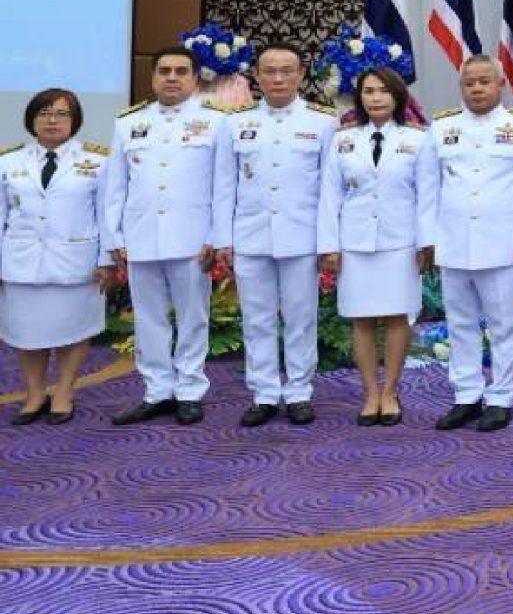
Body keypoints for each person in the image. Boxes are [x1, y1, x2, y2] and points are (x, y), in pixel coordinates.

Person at [418, 55, 513, 433]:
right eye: (469, 82)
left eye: (484, 81)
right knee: (460, 324)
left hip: (504, 246)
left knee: (505, 325)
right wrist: (428, 241)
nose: (476, 88)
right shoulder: (441, 127)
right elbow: (428, 190)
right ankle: (467, 395)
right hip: (454, 243)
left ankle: (501, 397)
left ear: (500, 84)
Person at [100, 47, 227, 426]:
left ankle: (189, 391)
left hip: (193, 240)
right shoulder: (128, 124)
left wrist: (217, 236)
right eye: (164, 71)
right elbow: (114, 188)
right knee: (148, 319)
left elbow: (223, 187)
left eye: (181, 71)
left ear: (195, 79)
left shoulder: (216, 122)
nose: (172, 78)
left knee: (193, 318)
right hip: (141, 237)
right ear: (153, 77)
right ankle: (157, 390)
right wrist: (114, 238)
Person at [211, 44, 335, 428]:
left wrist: (328, 243)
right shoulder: (234, 123)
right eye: (269, 71)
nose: (278, 78)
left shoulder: (323, 122)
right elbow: (223, 186)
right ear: (256, 77)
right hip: (251, 237)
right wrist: (223, 239)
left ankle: (299, 392)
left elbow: (330, 190)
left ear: (301, 75)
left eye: (286, 71)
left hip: (302, 238)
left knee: (301, 318)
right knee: (257, 319)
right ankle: (264, 393)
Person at [316, 66, 428, 427]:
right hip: (355, 242)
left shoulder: (418, 140)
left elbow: (427, 196)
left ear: (398, 96)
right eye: (368, 91)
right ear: (359, 98)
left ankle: (390, 391)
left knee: (397, 317)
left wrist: (427, 243)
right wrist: (329, 246)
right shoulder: (343, 140)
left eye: (383, 91)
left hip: (401, 242)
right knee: (361, 319)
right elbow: (329, 197)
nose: (376, 98)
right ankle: (369, 393)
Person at [1, 89, 113, 425]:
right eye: (44, 113)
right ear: (31, 120)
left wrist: (107, 259)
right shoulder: (8, 161)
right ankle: (34, 394)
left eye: (62, 114)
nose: (53, 120)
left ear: (75, 120)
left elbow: (107, 215)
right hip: (21, 262)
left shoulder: (98, 161)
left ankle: (64, 391)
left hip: (76, 261)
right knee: (27, 332)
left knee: (73, 329)